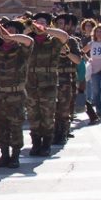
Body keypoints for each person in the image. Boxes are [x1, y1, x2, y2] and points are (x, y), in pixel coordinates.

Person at [0, 18, 33, 168]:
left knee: (15, 126)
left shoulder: (21, 49)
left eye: (12, 30)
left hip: (15, 94)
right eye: (6, 29)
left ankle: (15, 156)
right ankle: (4, 154)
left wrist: (11, 37)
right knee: (0, 126)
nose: (8, 32)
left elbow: (29, 41)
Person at [25, 13, 69, 157]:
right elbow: (20, 35)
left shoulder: (53, 41)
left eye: (43, 22)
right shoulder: (29, 40)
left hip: (48, 85)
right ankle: (36, 143)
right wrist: (31, 27)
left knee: (48, 115)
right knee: (33, 115)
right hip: (31, 84)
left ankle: (46, 144)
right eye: (38, 22)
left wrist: (46, 29)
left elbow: (64, 36)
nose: (39, 24)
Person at [53, 13, 82, 145]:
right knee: (51, 108)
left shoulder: (72, 41)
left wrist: (67, 53)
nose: (59, 26)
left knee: (65, 108)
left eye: (62, 24)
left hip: (66, 79)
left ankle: (62, 133)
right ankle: (53, 132)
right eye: (57, 24)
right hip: (51, 79)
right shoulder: (51, 41)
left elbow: (77, 60)